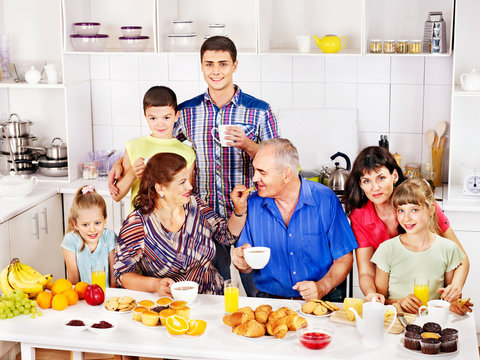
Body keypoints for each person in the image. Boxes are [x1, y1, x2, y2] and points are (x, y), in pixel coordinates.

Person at [109, 36, 279, 295]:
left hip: (246, 212)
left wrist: (248, 146)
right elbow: (160, 146)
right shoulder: (186, 111)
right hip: (199, 219)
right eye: (209, 64)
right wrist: (122, 164)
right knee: (214, 285)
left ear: (235, 65)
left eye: (223, 63)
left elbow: (276, 161)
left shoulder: (259, 110)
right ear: (201, 66)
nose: (216, 70)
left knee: (260, 290)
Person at [231, 138, 358, 301]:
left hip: (321, 299)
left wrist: (323, 286)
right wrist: (240, 261)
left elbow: (344, 258)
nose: (255, 178)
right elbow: (245, 262)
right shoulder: (252, 203)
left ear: (286, 175)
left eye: (262, 172)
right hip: (270, 301)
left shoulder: (325, 199)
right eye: (255, 170)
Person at [343, 146, 469, 303]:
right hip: (395, 298)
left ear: (394, 176)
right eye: (366, 181)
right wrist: (371, 294)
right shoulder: (360, 216)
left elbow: (461, 259)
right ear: (360, 185)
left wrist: (455, 288)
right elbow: (366, 272)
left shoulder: (419, 204)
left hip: (432, 295)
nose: (375, 187)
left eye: (381, 178)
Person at [113, 152, 250, 296]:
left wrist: (239, 210)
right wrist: (155, 285)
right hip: (172, 304)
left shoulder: (195, 205)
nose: (190, 186)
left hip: (214, 298)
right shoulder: (137, 224)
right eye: (182, 182)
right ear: (160, 188)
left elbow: (226, 236)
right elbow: (121, 275)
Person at [372, 178, 470, 315]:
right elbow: (378, 302)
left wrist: (454, 302)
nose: (406, 218)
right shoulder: (386, 250)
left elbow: (446, 300)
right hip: (397, 324)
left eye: (414, 210)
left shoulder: (447, 248)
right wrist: (399, 302)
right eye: (401, 211)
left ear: (430, 210)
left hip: (432, 323)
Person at [110, 85, 195, 211]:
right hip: (139, 224)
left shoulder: (187, 153)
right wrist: (133, 173)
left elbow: (185, 196)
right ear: (145, 117)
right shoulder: (134, 146)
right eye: (153, 118)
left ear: (176, 116)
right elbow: (117, 196)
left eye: (166, 117)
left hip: (172, 224)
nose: (160, 123)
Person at [61, 185, 117, 287]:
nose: (92, 229)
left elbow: (114, 278)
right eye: (85, 225)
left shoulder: (109, 237)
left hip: (107, 296)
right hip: (83, 297)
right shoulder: (70, 241)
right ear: (76, 224)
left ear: (105, 219)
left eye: (97, 223)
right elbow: (73, 281)